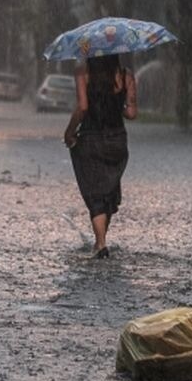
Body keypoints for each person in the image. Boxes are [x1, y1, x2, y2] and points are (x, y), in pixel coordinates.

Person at [63, 53, 138, 259]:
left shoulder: (82, 73)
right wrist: (116, 104)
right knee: (108, 190)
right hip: (117, 141)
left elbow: (83, 107)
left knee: (94, 192)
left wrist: (69, 132)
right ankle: (101, 239)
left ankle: (100, 244)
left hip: (91, 139)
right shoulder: (126, 75)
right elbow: (131, 113)